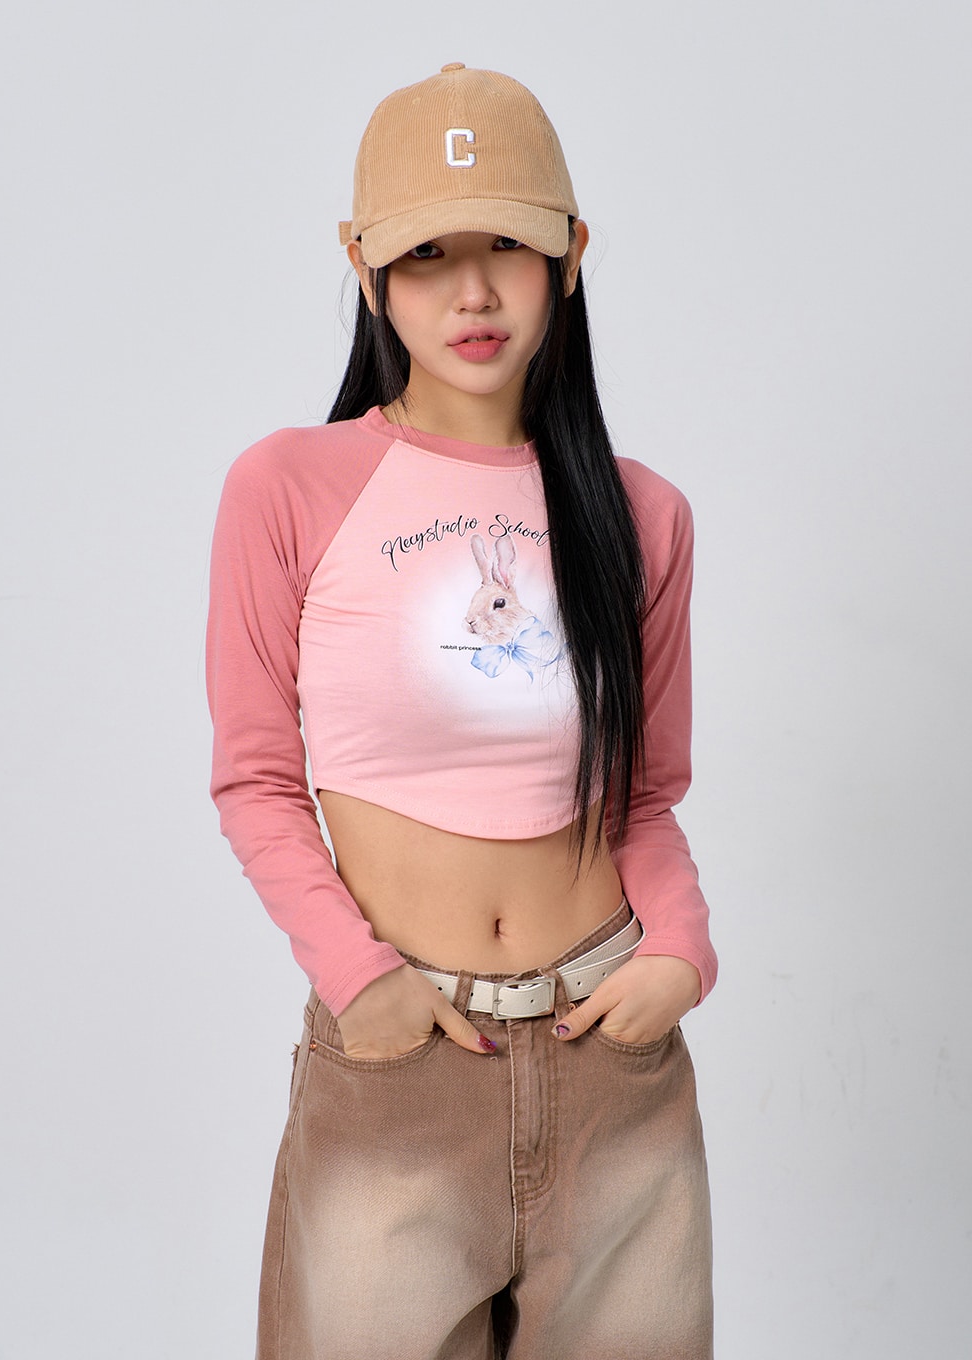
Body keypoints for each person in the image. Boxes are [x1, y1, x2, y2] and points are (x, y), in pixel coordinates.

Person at [207, 62, 717, 1360]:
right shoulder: (290, 487)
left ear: (571, 254)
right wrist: (358, 977)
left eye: (507, 248)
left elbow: (645, 796)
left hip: (613, 1057)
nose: (473, 293)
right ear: (364, 265)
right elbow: (257, 779)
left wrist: (681, 951)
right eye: (428, 255)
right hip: (401, 1063)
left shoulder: (642, 515)